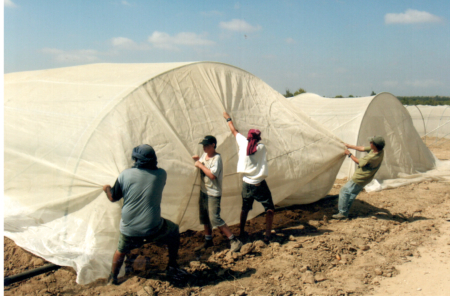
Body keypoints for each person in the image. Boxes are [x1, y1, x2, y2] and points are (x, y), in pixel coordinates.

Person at [103, 144, 185, 285]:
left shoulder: (125, 175)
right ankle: (171, 266)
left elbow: (113, 198)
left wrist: (107, 189)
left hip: (129, 229)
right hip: (153, 227)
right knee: (174, 230)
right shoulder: (161, 174)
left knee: (121, 250)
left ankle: (113, 278)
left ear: (136, 159)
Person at [223, 112, 275, 244]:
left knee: (245, 208)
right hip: (258, 183)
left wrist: (228, 118)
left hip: (246, 183)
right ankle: (267, 235)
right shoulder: (261, 147)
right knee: (269, 208)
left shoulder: (243, 143)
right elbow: (254, 144)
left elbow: (233, 131)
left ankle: (241, 232)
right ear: (258, 138)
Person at [192, 135, 243, 253]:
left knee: (215, 218)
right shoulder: (205, 156)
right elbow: (204, 165)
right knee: (205, 218)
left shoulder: (217, 158)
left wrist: (200, 165)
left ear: (213, 145)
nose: (204, 148)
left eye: (206, 145)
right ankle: (208, 240)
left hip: (213, 193)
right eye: (203, 146)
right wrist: (198, 160)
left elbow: (212, 175)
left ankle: (234, 240)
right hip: (204, 191)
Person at [332, 136, 385, 219]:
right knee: (352, 193)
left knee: (344, 191)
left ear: (374, 145)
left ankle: (342, 213)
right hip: (366, 178)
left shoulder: (372, 157)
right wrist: (349, 145)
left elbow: (358, 162)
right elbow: (362, 148)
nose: (369, 143)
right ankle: (345, 210)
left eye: (371, 143)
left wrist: (349, 154)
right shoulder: (379, 151)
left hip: (360, 178)